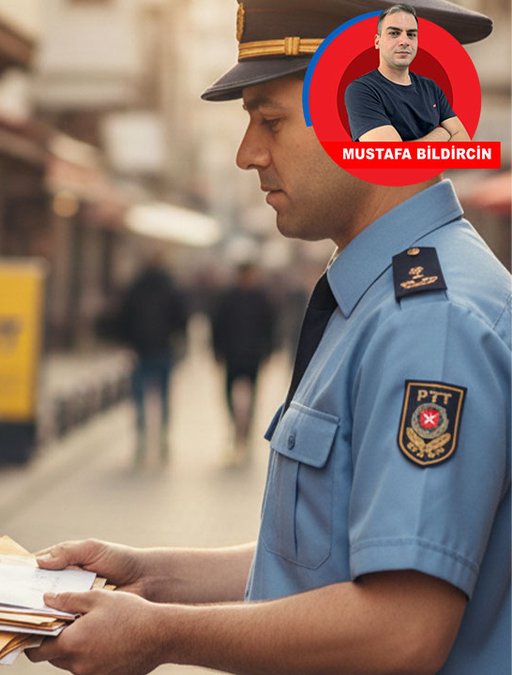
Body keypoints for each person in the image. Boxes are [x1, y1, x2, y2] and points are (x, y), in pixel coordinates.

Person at [28, 1, 506, 673]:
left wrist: (161, 634)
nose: (247, 152)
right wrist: (152, 576)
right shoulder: (380, 292)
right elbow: (331, 558)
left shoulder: (431, 321)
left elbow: (400, 629)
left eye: (270, 119)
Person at [345, 4, 470, 142]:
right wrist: (439, 135)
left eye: (411, 34)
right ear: (377, 41)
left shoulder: (431, 87)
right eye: (394, 33)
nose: (404, 41)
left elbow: (463, 143)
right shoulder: (361, 90)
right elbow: (392, 158)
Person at [118, 256, 188, 465]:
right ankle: (163, 437)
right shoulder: (170, 287)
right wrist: (179, 340)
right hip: (163, 349)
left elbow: (124, 317)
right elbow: (180, 317)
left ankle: (141, 438)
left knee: (140, 398)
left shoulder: (136, 287)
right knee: (164, 397)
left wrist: (127, 342)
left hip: (140, 351)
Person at [211, 262, 277, 465]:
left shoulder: (261, 298)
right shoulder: (228, 298)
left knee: (253, 395)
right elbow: (218, 324)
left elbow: (270, 326)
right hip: (232, 354)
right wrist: (217, 350)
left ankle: (245, 430)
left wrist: (268, 351)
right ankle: (236, 425)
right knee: (228, 393)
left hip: (252, 355)